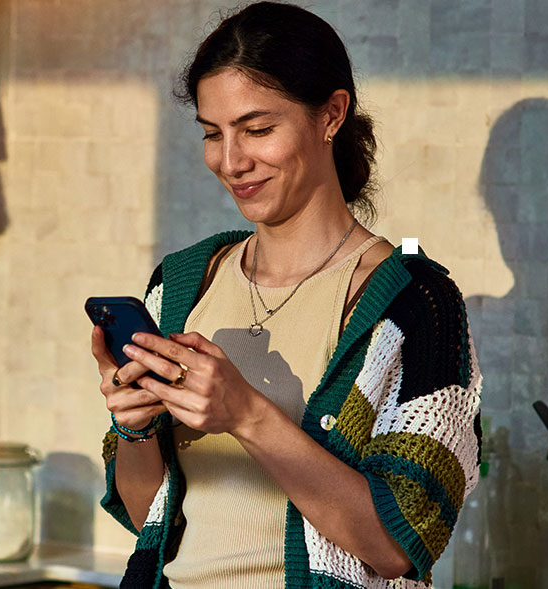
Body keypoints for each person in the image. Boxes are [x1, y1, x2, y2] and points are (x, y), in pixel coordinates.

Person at [90, 3, 482, 587]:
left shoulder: (415, 303)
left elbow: (400, 542)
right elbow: (151, 517)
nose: (231, 161)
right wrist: (136, 426)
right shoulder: (183, 284)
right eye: (211, 133)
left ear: (331, 114)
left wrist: (247, 414)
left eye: (258, 129)